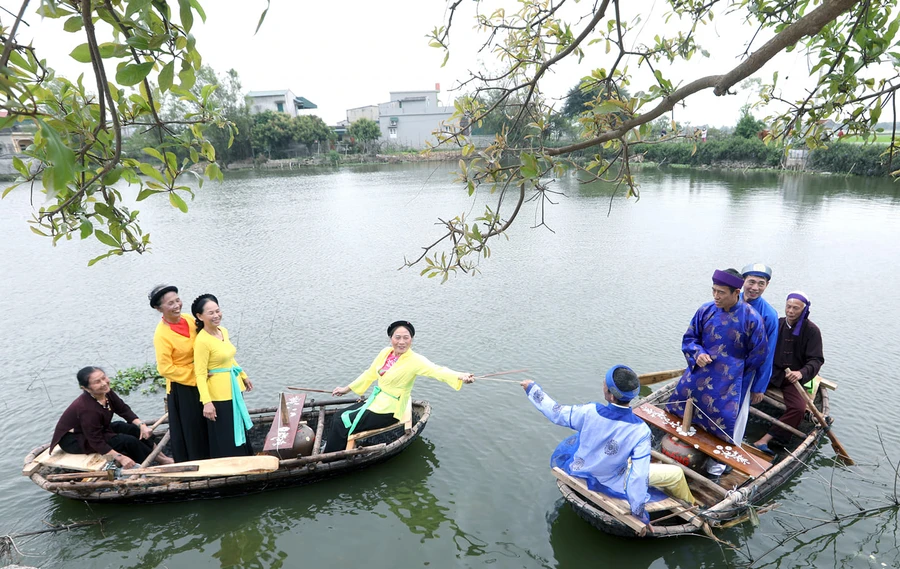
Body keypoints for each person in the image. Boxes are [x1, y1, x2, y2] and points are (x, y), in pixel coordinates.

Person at [521, 366, 695, 523]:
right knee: (677, 473)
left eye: (604, 384)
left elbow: (556, 413)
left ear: (610, 395)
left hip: (580, 468)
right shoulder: (640, 431)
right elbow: (638, 476)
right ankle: (692, 506)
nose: (603, 385)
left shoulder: (589, 411)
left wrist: (532, 389)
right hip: (611, 480)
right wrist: (639, 512)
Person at [666, 268, 768, 476]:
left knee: (722, 421)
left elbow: (758, 354)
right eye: (713, 291)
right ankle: (675, 446)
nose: (716, 296)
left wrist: (733, 372)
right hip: (700, 371)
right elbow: (689, 339)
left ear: (736, 292)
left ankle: (715, 468)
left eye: (721, 292)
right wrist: (698, 353)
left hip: (730, 380)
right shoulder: (706, 310)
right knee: (678, 405)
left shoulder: (752, 318)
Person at [324, 320, 474, 453]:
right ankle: (335, 449)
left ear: (411, 340)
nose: (401, 342)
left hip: (391, 409)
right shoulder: (385, 353)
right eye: (397, 337)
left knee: (341, 421)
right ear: (391, 339)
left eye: (406, 338)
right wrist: (346, 389)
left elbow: (437, 371)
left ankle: (330, 458)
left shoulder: (415, 360)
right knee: (338, 417)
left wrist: (461, 376)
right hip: (377, 401)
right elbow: (369, 373)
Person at [50, 366, 173, 468]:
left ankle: (162, 457)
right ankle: (154, 463)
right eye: (97, 382)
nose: (104, 383)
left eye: (104, 378)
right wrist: (120, 457)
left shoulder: (106, 392)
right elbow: (95, 440)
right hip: (75, 440)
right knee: (127, 441)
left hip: (95, 430)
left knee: (131, 429)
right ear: (86, 388)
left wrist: (142, 425)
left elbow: (123, 409)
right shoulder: (87, 409)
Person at [753, 292, 825, 453]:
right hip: (771, 372)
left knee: (799, 409)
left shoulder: (812, 331)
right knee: (746, 386)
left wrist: (801, 373)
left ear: (803, 310)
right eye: (788, 307)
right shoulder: (777, 324)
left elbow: (816, 360)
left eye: (796, 308)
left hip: (793, 379)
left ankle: (765, 440)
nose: (791, 311)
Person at [150, 284, 209, 462]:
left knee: (209, 421)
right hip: (184, 387)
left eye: (177, 300)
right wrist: (197, 375)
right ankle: (197, 462)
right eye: (170, 303)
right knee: (193, 428)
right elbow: (165, 368)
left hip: (204, 378)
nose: (177, 305)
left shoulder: (189, 319)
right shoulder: (162, 335)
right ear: (159, 308)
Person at [192, 294, 254, 458]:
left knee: (237, 425)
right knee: (226, 431)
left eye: (217, 311)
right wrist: (207, 402)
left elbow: (229, 358)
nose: (216, 315)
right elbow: (199, 374)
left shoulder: (222, 331)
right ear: (200, 316)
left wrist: (242, 374)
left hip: (233, 388)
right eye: (210, 313)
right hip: (218, 396)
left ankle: (245, 457)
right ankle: (231, 464)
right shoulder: (202, 341)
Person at [739, 263, 779, 446]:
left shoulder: (769, 315)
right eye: (751, 282)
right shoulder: (728, 301)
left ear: (767, 285)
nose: (755, 288)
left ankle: (729, 450)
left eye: (761, 283)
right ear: (743, 281)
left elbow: (767, 354)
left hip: (746, 373)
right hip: (719, 368)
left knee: (737, 412)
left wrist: (759, 386)